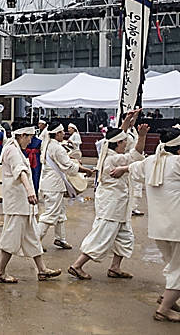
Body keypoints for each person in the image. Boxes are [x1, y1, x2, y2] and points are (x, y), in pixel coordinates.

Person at [110, 127, 180, 322]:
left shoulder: (151, 161)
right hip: (177, 226)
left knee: (174, 265)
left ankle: (168, 297)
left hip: (159, 228)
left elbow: (133, 168)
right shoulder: (176, 163)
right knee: (178, 268)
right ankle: (164, 309)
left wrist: (121, 170)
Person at [68, 110, 147, 280]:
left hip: (117, 203)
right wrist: (142, 136)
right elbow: (137, 155)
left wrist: (126, 121)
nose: (127, 142)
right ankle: (77, 265)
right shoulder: (115, 159)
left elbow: (119, 134)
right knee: (101, 236)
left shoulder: (106, 148)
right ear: (119, 143)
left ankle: (115, 268)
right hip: (112, 204)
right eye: (124, 141)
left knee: (125, 237)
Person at [0, 121, 61, 283]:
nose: (30, 141)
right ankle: (0, 272)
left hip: (23, 203)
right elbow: (20, 171)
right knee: (12, 236)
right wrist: (30, 191)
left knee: (31, 236)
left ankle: (42, 269)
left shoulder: (15, 148)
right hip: (17, 202)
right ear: (21, 135)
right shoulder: (12, 150)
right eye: (29, 137)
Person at [38, 122, 94, 250]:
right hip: (53, 185)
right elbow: (68, 167)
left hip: (51, 183)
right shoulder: (57, 147)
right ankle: (35, 240)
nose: (64, 134)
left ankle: (60, 238)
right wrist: (85, 170)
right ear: (57, 133)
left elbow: (62, 160)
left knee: (60, 212)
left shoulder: (50, 145)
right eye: (62, 132)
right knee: (51, 214)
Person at [23, 129, 42, 195]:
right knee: (35, 175)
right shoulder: (39, 141)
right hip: (35, 158)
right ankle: (35, 192)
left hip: (30, 157)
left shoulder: (25, 140)